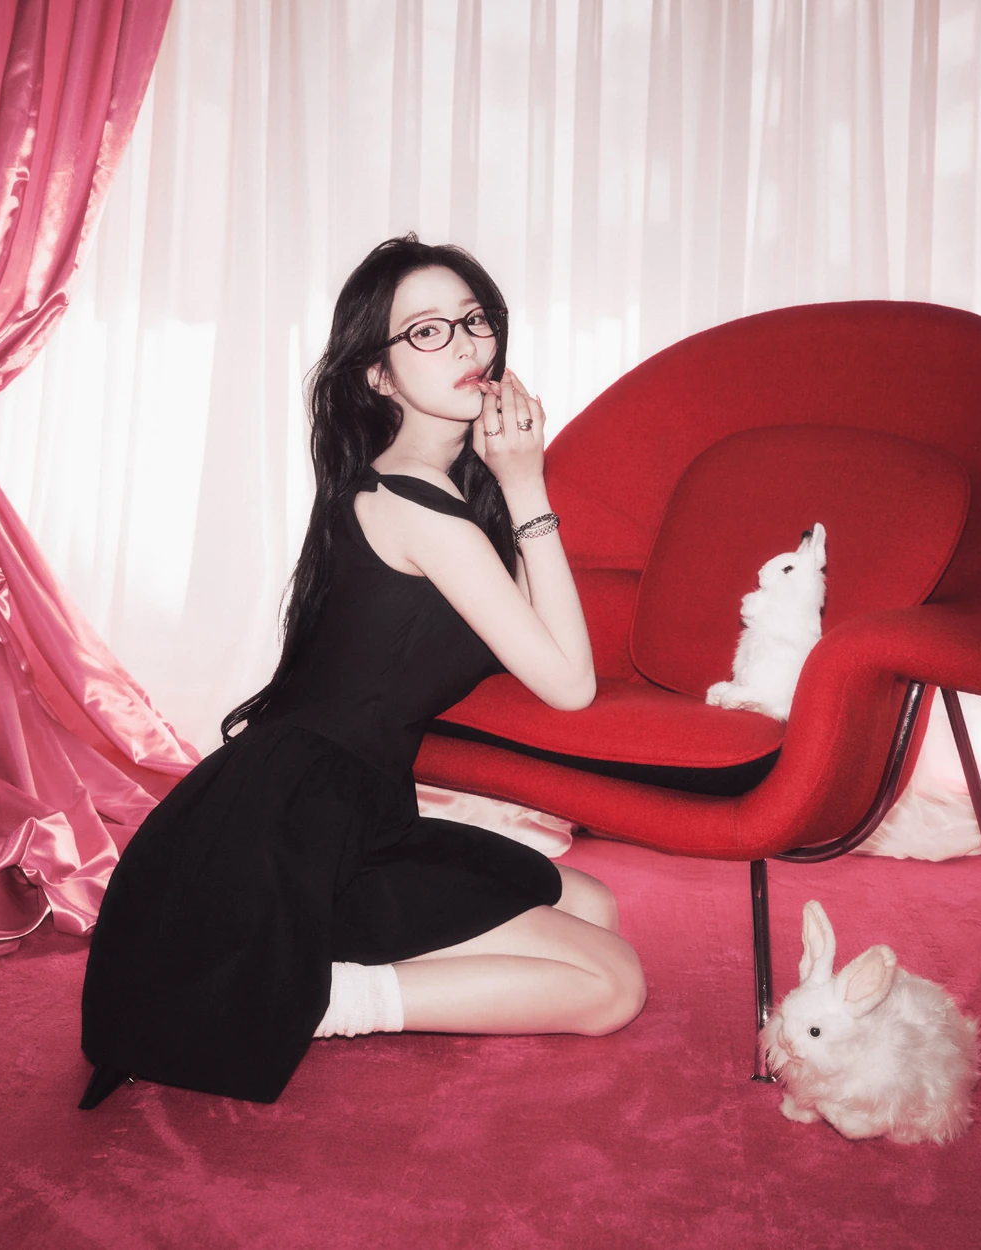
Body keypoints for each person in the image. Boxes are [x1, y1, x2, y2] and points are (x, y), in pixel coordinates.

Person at [79, 235, 646, 1107]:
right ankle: (318, 1000)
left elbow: (549, 644)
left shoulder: (428, 491)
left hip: (349, 811)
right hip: (289, 831)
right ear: (378, 374)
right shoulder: (415, 507)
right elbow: (570, 684)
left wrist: (511, 481)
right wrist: (529, 484)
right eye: (426, 331)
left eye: (475, 321)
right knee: (612, 984)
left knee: (592, 905)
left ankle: (318, 969)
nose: (464, 344)